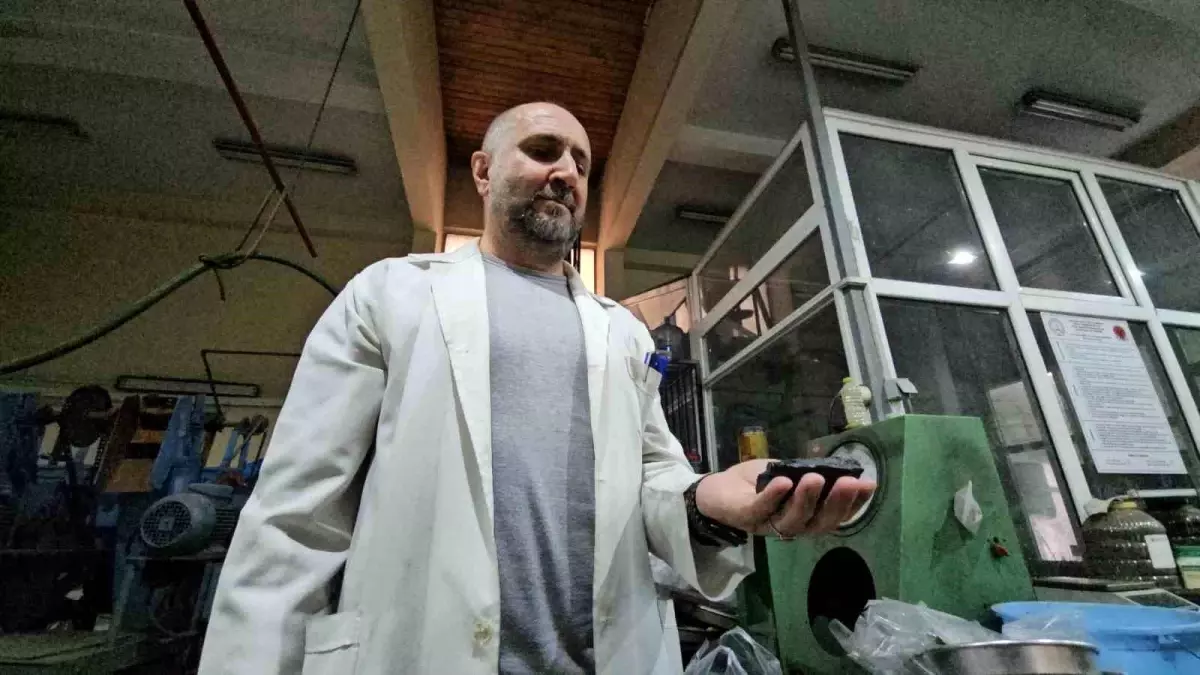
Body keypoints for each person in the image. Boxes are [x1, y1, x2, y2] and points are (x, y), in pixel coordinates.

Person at [198, 102, 876, 675]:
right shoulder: (391, 295)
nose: (567, 172)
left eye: (581, 163)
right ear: (482, 171)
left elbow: (651, 476)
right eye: (543, 151)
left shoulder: (623, 332)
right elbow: (295, 520)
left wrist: (706, 502)